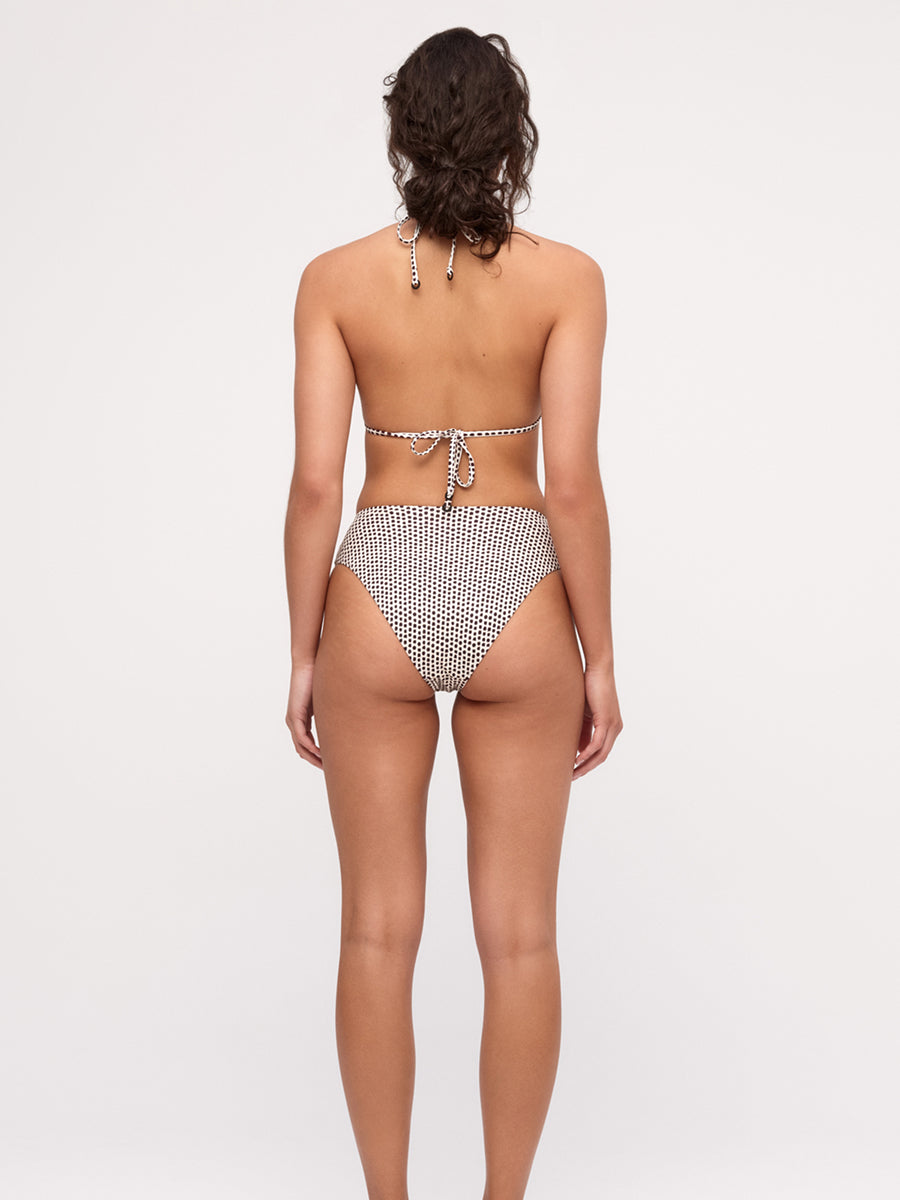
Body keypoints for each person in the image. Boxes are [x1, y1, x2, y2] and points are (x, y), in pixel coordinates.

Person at [283, 26, 623, 1200]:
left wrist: (301, 652)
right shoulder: (567, 280)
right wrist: (601, 658)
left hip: (375, 580)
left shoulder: (334, 280)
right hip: (517, 580)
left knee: (376, 930)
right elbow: (571, 486)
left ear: (404, 138)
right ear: (510, 139)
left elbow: (316, 484)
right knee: (519, 935)